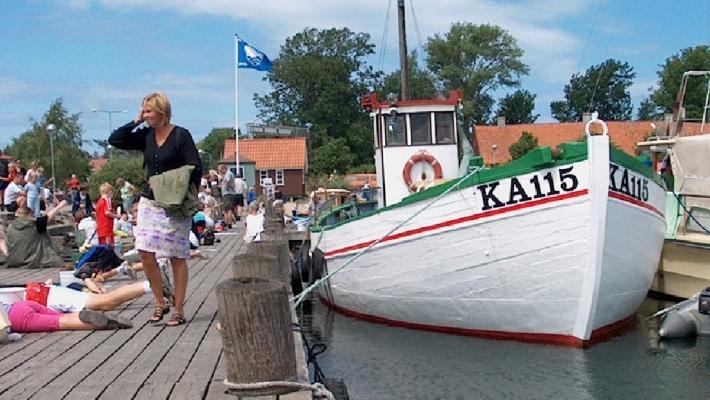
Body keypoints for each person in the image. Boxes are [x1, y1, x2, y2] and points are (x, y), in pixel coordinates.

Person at [109, 92, 202, 327]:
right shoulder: (146, 135)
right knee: (144, 251)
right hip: (150, 201)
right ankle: (160, 301)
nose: (146, 114)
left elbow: (195, 167)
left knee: (177, 256)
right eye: (144, 110)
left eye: (149, 111)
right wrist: (136, 121)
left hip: (175, 203)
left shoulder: (181, 135)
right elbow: (115, 140)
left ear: (162, 111)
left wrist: (173, 186)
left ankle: (178, 308)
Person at [5, 197, 68, 268]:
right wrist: (60, 206)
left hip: (14, 260)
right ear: (29, 214)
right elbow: (48, 217)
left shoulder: (10, 226)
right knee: (43, 232)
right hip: (34, 259)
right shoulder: (35, 224)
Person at [95, 182, 118, 247]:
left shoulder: (99, 201)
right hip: (106, 227)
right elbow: (107, 212)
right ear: (110, 192)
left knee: (102, 246)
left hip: (100, 227)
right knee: (109, 246)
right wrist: (116, 216)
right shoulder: (107, 200)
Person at [218, 164, 235, 228]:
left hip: (227, 193)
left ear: (224, 169)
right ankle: (228, 223)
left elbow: (226, 181)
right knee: (228, 209)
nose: (221, 172)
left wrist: (224, 187)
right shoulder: (229, 174)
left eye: (220, 170)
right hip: (229, 193)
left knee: (227, 209)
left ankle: (228, 223)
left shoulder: (228, 173)